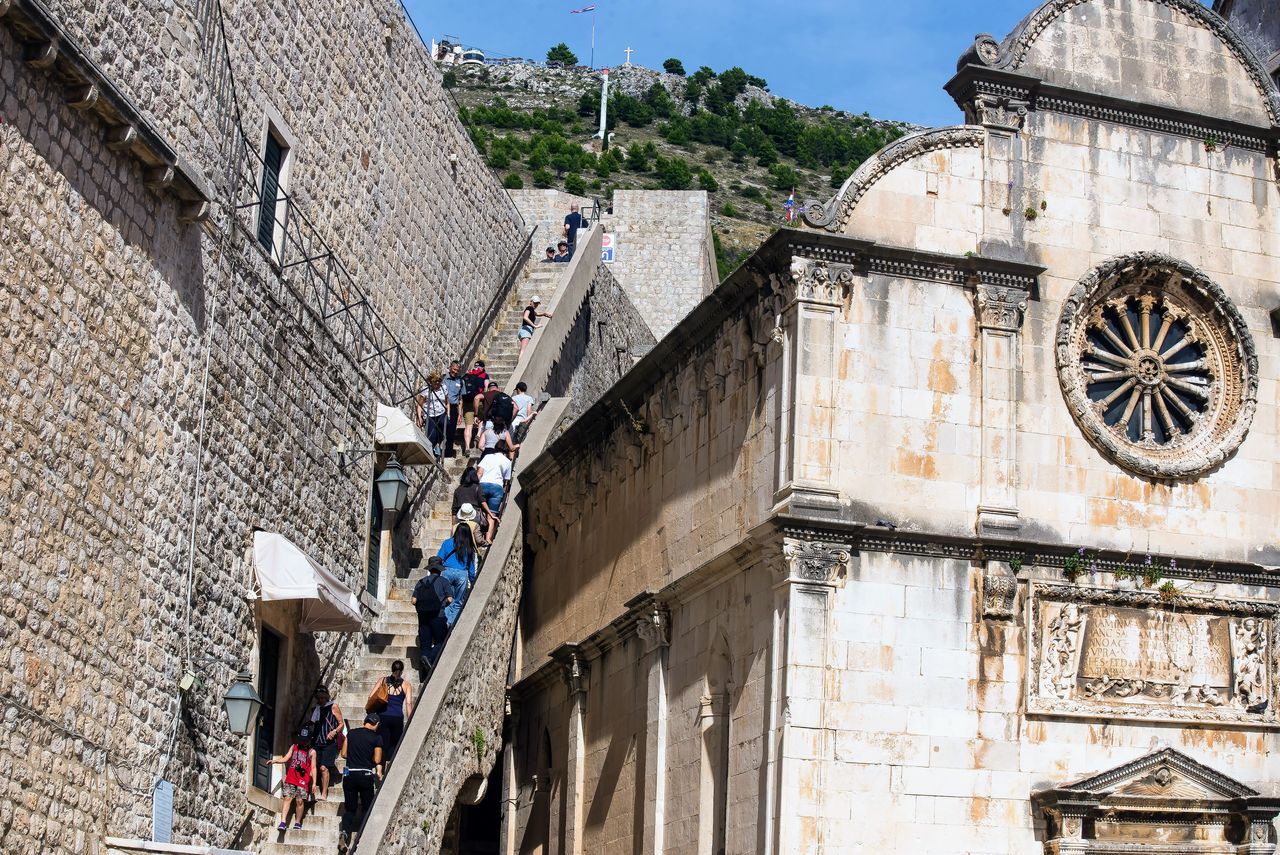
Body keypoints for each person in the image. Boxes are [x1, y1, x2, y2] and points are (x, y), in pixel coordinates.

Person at [338, 713, 384, 855]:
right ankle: (361, 838)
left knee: (350, 809)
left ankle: (344, 832)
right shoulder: (377, 737)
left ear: (365, 721)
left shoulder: (351, 734)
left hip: (349, 773)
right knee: (366, 808)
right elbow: (377, 759)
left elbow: (343, 754)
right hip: (365, 774)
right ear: (376, 724)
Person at [269, 727, 316, 832]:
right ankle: (283, 822)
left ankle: (298, 822)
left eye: (305, 740)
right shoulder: (294, 747)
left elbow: (313, 768)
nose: (303, 743)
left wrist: (314, 783)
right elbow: (286, 758)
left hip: (303, 779)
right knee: (287, 798)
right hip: (291, 777)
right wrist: (275, 761)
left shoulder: (312, 752)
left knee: (299, 801)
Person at [412, 556, 453, 676]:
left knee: (425, 644)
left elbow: (413, 600)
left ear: (429, 568)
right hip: (438, 616)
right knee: (441, 641)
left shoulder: (421, 582)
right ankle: (428, 658)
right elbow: (450, 599)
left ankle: (425, 665)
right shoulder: (444, 581)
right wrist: (443, 603)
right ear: (440, 569)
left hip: (423, 616)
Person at [366, 661, 412, 761]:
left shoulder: (383, 680)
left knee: (382, 743)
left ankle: (380, 769)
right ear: (402, 671)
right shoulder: (406, 685)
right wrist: (410, 720)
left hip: (383, 716)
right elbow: (408, 703)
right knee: (394, 745)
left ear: (392, 669)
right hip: (397, 718)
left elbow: (371, 696)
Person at [307, 686, 344, 799]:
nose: (321, 700)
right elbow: (312, 724)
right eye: (319, 698)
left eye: (323, 698)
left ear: (327, 697)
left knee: (323, 767)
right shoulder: (315, 709)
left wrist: (334, 732)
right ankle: (310, 791)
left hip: (329, 742)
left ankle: (324, 793)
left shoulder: (333, 707)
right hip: (317, 741)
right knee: (313, 767)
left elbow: (341, 724)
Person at [438, 523, 478, 624]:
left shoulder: (447, 543)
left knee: (446, 599)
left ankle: (444, 622)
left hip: (447, 571)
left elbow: (439, 559)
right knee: (458, 602)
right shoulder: (470, 547)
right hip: (462, 574)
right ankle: (450, 624)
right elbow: (471, 568)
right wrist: (472, 580)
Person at [453, 470, 494, 545]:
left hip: (460, 515)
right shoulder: (477, 487)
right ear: (474, 477)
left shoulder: (457, 490)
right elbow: (482, 502)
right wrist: (491, 514)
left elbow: (454, 511)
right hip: (474, 515)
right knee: (476, 532)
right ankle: (480, 542)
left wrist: (453, 526)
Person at [477, 439, 513, 520]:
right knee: (492, 516)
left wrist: (473, 485)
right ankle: (489, 533)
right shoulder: (507, 462)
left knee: (477, 510)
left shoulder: (487, 457)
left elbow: (479, 473)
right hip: (497, 487)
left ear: (495, 447)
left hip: (483, 484)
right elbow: (506, 479)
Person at [417, 372, 447, 459]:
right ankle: (432, 449)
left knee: (445, 425)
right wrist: (419, 417)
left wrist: (448, 412)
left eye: (439, 381)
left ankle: (438, 443)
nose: (437, 383)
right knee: (432, 435)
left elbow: (447, 401)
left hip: (441, 413)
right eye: (435, 381)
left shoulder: (443, 388)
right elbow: (420, 404)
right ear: (430, 381)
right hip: (430, 414)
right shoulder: (426, 390)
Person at [462, 360, 488, 452]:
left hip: (468, 402)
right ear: (483, 367)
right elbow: (486, 387)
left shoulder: (467, 375)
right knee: (481, 419)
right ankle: (478, 433)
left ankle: (467, 447)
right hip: (479, 401)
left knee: (468, 426)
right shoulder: (484, 375)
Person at [442, 360, 464, 458]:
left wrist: (459, 414)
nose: (455, 372)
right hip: (442, 407)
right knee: (440, 428)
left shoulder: (460, 381)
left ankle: (448, 453)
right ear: (450, 368)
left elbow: (460, 400)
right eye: (454, 369)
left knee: (451, 431)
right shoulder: (443, 379)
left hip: (454, 408)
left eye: (457, 370)